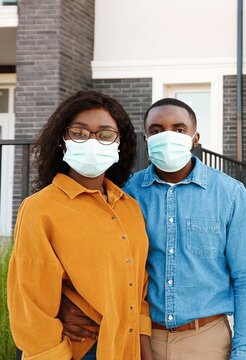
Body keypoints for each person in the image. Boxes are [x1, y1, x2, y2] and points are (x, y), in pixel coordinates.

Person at [59, 98, 246, 360]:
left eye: (178, 130)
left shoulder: (230, 194)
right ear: (146, 139)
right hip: (138, 339)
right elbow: (96, 264)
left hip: (206, 340)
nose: (167, 137)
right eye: (156, 131)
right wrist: (65, 305)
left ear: (195, 138)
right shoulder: (125, 194)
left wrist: (244, 350)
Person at [7, 91, 152, 360]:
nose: (92, 142)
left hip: (125, 347)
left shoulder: (129, 207)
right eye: (80, 133)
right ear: (63, 140)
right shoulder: (41, 209)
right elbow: (32, 307)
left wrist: (144, 351)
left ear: (119, 145)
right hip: (79, 349)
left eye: (105, 134)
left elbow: (139, 288)